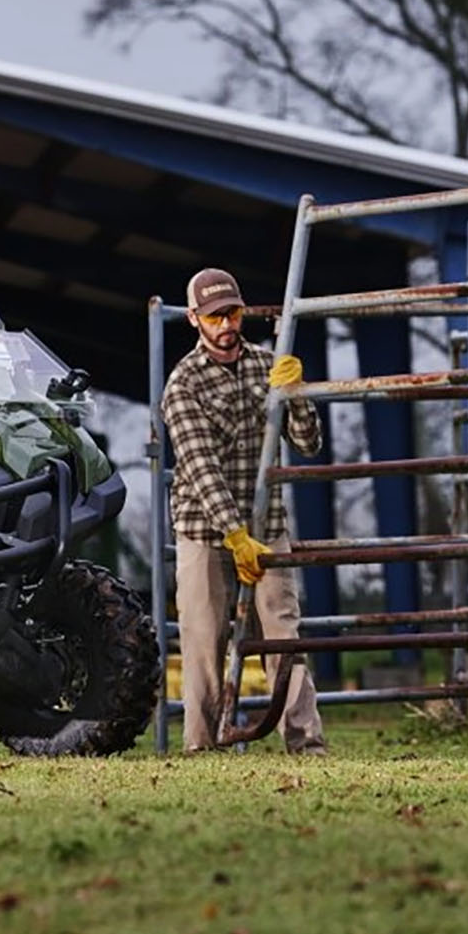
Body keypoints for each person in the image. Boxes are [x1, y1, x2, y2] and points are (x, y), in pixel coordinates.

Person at [161, 267, 328, 754]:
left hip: (268, 524)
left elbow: (309, 443)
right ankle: (202, 749)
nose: (226, 323)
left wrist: (297, 397)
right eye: (214, 316)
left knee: (283, 636)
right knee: (204, 643)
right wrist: (234, 536)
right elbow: (200, 468)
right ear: (194, 319)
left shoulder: (268, 365)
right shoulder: (182, 385)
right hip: (206, 531)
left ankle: (307, 744)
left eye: (232, 313)